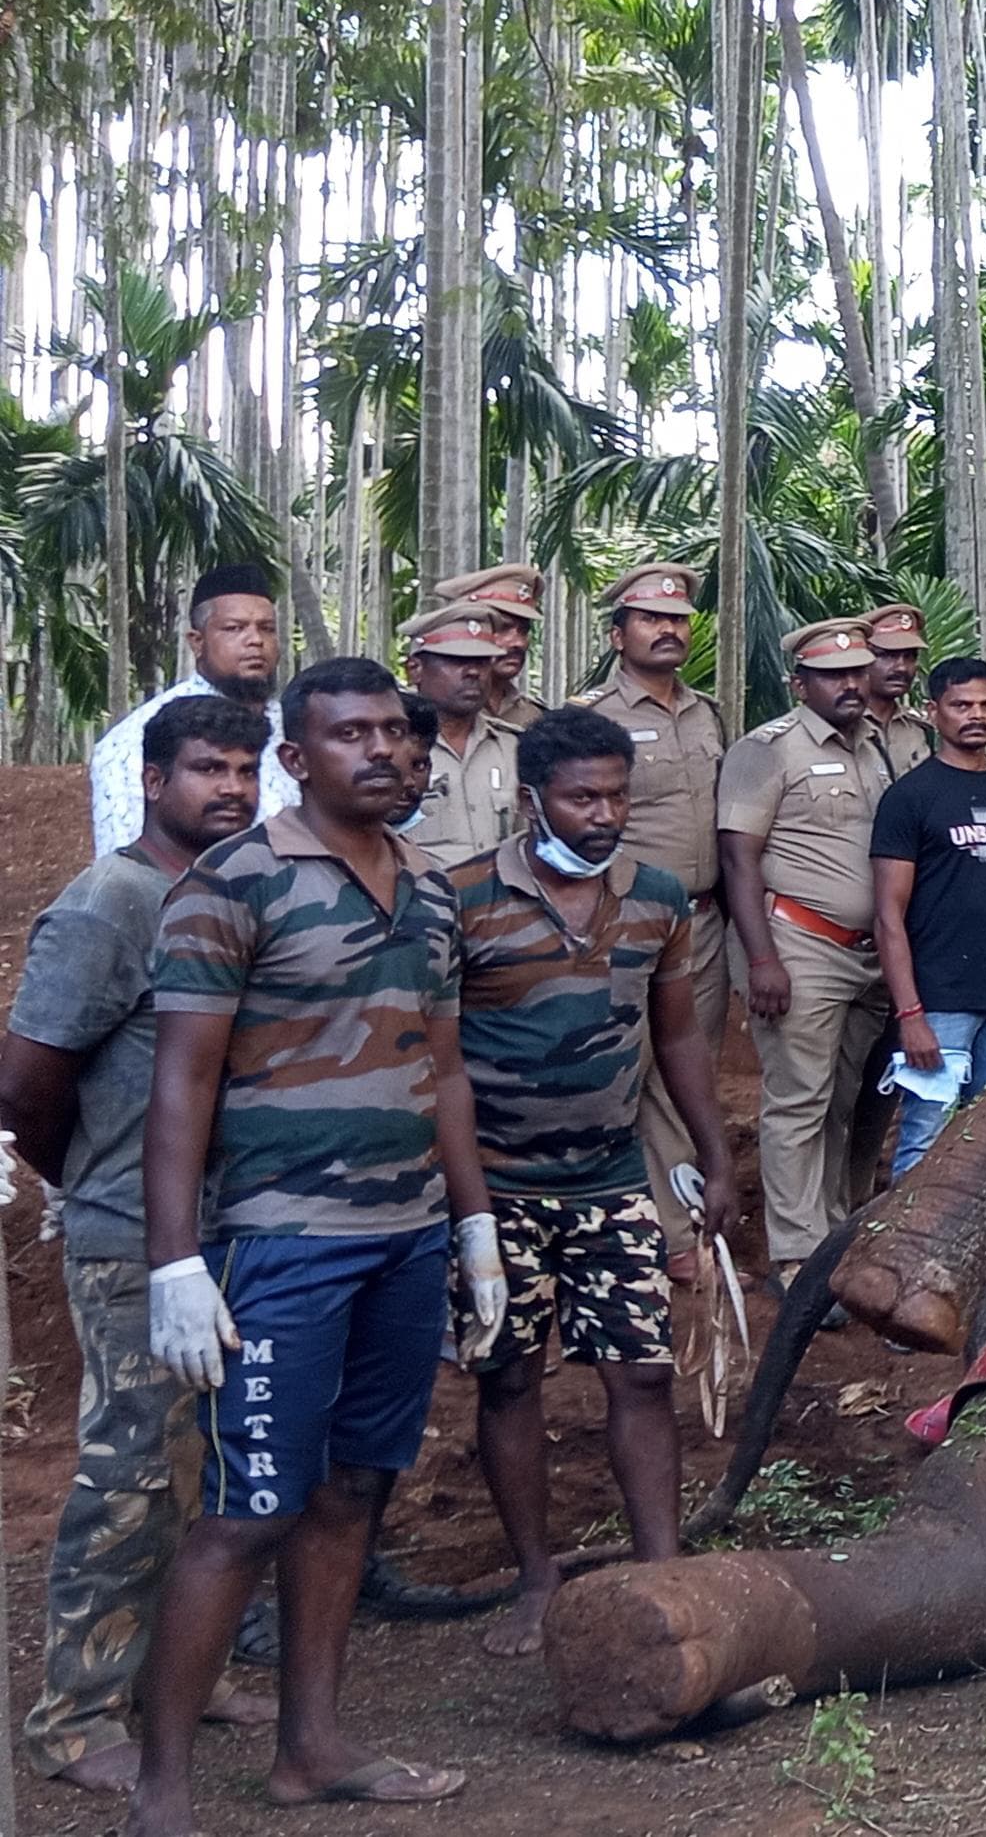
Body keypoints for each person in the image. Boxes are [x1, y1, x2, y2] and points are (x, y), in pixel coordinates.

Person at [132, 655, 494, 1824]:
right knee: (247, 1510)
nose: (384, 751)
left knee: (349, 1493)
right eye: (351, 734)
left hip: (403, 1239)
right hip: (280, 1244)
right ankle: (166, 1785)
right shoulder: (232, 885)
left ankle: (312, 1750)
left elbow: (442, 1069)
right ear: (296, 758)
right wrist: (175, 1261)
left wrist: (473, 1222)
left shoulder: (433, 890)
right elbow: (180, 1085)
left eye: (396, 732)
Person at [4, 695, 273, 1793]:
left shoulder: (234, 891)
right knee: (126, 1477)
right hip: (134, 1237)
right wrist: (99, 1190)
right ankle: (72, 1715)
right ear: (154, 782)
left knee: (203, 1471)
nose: (232, 789)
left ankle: (179, 1672)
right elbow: (28, 1084)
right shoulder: (114, 901)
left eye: (247, 770)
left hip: (233, 1227)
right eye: (208, 769)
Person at [444, 708, 740, 1660]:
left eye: (618, 794)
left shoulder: (655, 897)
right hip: (500, 1188)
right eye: (583, 797)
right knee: (509, 1379)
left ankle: (661, 1570)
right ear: (533, 800)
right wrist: (468, 1209)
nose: (606, 813)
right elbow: (438, 1058)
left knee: (642, 1374)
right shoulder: (462, 900)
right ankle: (537, 1579)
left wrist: (715, 1152)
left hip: (612, 1179)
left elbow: (680, 1033)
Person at [718, 617, 902, 1279]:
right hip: (800, 945)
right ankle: (797, 1256)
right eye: (833, 675)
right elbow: (739, 858)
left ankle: (828, 1236)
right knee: (798, 1100)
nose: (850, 685)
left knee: (843, 1100)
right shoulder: (767, 749)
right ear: (800, 683)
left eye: (858, 672)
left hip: (867, 955)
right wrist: (762, 958)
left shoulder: (876, 746)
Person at [575, 563, 730, 1247]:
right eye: (651, 619)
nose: (668, 630)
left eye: (678, 620)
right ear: (617, 635)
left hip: (703, 922)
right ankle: (600, 1230)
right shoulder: (588, 719)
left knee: (684, 1076)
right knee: (612, 1075)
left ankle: (672, 1231)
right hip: (620, 921)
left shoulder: (709, 713)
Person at [873, 659, 986, 1174]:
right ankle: (901, 1253)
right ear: (933, 713)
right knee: (924, 1139)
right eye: (961, 705)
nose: (976, 716)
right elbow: (888, 914)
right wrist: (910, 1015)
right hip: (942, 1002)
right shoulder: (910, 797)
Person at [90, 562, 297, 854]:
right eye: (234, 628)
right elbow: (127, 868)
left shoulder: (297, 726)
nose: (255, 640)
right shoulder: (133, 742)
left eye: (267, 629)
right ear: (197, 642)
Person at [396, 603, 527, 870]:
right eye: (456, 660)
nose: (473, 672)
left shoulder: (513, 748)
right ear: (415, 670)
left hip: (502, 906)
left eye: (482, 662)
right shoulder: (391, 750)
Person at [426, 561, 551, 725]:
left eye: (524, 630)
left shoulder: (535, 717)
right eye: (502, 627)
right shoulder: (418, 713)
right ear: (468, 628)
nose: (518, 642)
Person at [861, 601, 937, 768]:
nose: (901, 667)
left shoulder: (922, 729)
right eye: (887, 655)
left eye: (910, 656)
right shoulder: (841, 725)